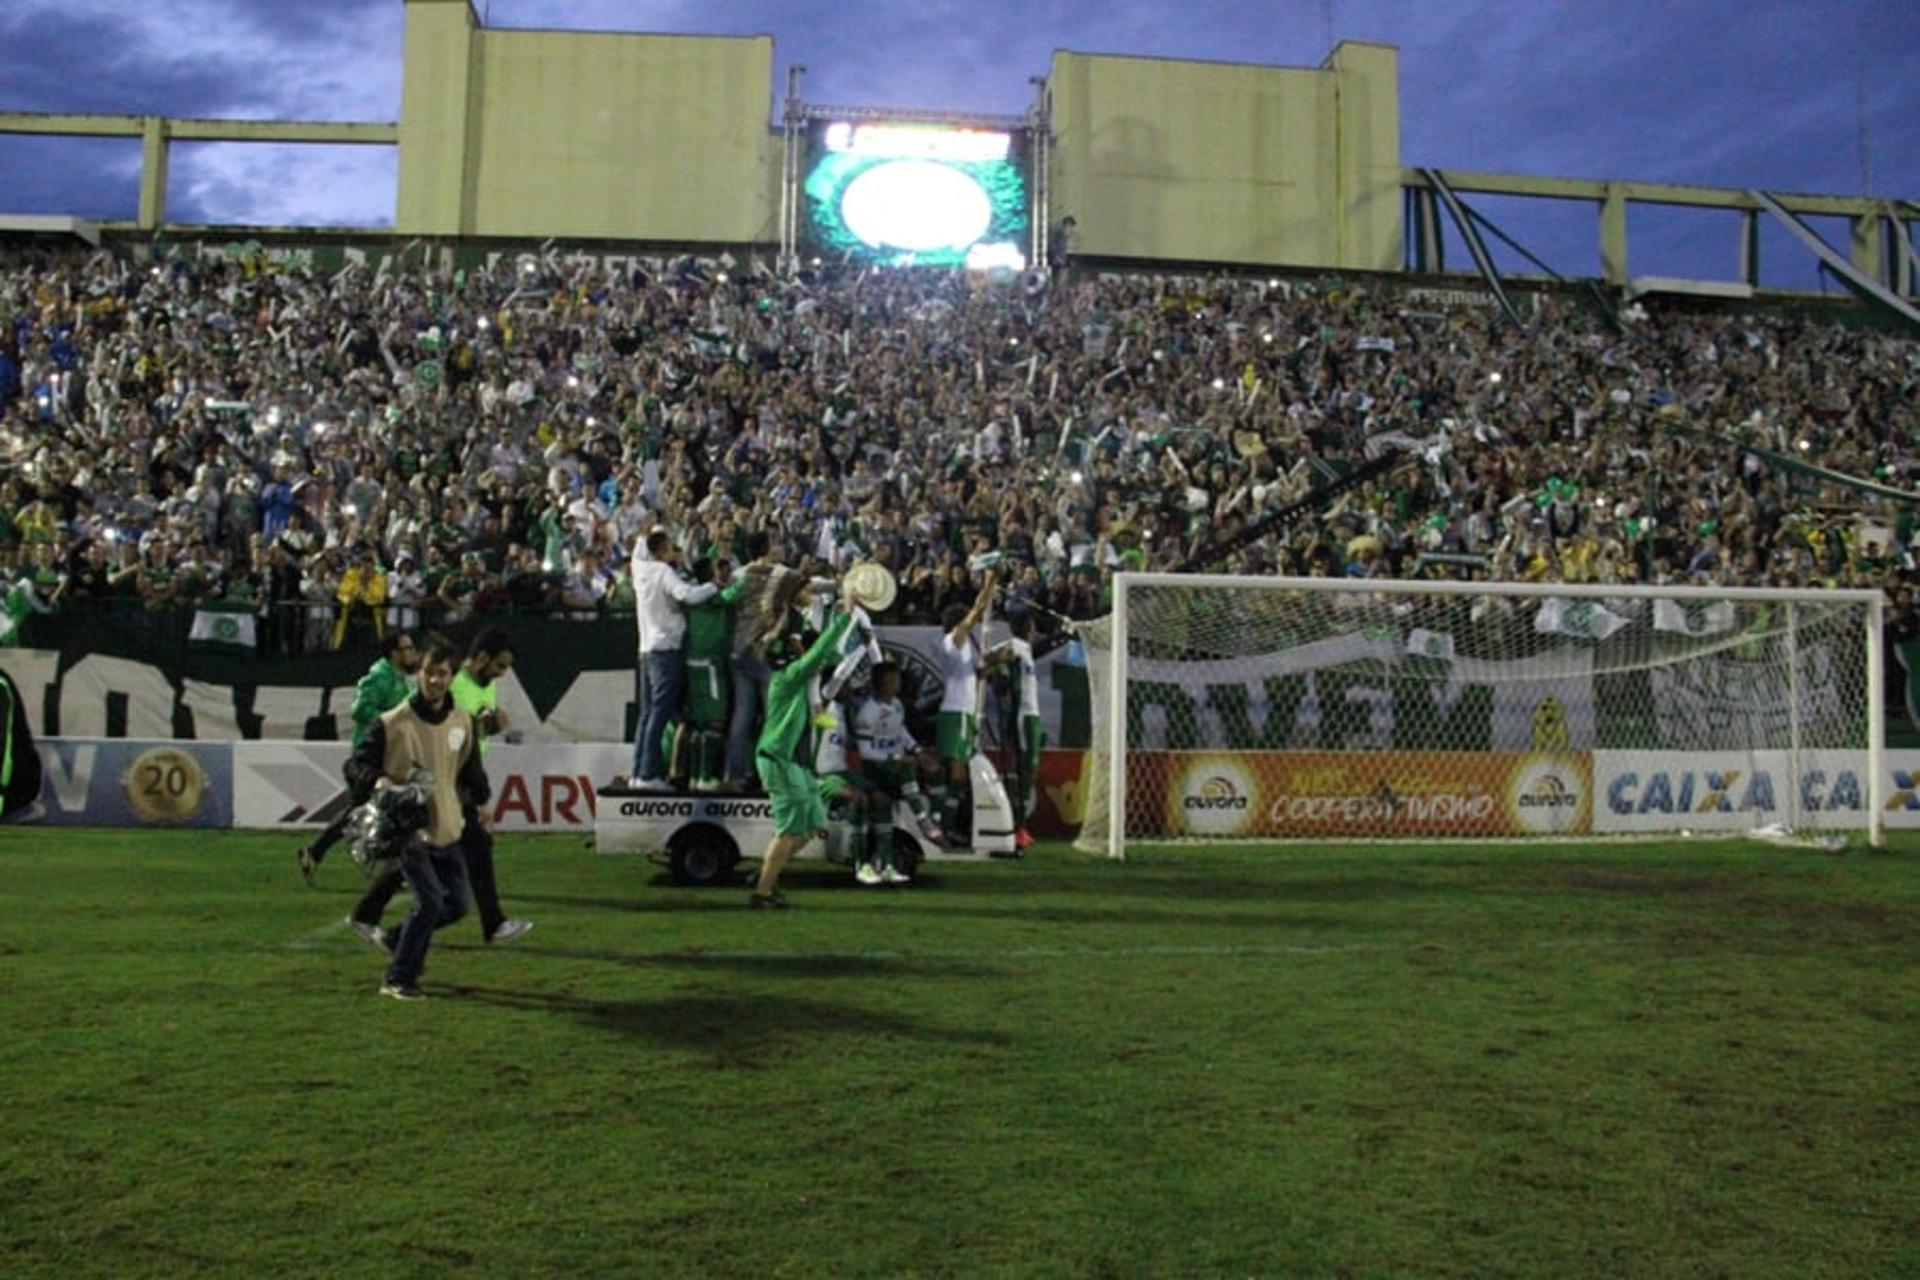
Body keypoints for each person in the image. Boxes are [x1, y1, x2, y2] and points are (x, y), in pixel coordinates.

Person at [348, 628, 532, 947]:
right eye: (500, 666)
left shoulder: (484, 688)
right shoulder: (456, 686)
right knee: (461, 853)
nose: (502, 674)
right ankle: (491, 923)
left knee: (423, 855)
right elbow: (442, 726)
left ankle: (371, 917)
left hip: (456, 780)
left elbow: (469, 740)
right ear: (483, 659)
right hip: (443, 783)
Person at [344, 633, 489, 1001]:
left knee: (457, 905)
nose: (435, 680)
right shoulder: (392, 722)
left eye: (443, 673)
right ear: (419, 674)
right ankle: (398, 979)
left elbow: (470, 771)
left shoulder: (463, 722)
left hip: (448, 827)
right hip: (407, 828)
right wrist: (376, 779)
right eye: (429, 672)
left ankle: (396, 939)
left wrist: (482, 802)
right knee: (430, 902)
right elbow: (356, 764)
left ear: (452, 676)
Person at [748, 578, 857, 909]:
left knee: (812, 825)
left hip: (794, 763)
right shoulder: (788, 677)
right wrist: (846, 616)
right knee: (789, 829)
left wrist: (839, 612)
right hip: (778, 760)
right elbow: (821, 652)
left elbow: (829, 654)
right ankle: (762, 892)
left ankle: (769, 872)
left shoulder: (801, 680)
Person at [298, 629, 418, 883]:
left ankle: (315, 853)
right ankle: (395, 872)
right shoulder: (379, 677)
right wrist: (390, 721)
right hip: (370, 757)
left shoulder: (399, 678)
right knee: (374, 811)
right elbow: (360, 710)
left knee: (362, 810)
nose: (412, 653)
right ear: (394, 653)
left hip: (387, 756)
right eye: (407, 649)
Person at [628, 529, 718, 791]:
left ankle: (638, 773)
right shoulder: (662, 571)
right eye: (670, 548)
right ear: (663, 550)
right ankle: (648, 774)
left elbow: (638, 545)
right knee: (660, 711)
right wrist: (713, 587)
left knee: (646, 713)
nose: (673, 553)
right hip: (666, 647)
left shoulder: (638, 568)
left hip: (645, 647)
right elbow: (686, 595)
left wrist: (647, 532)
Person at [931, 565, 998, 845]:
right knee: (956, 774)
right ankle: (944, 827)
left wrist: (997, 661)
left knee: (958, 775)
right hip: (955, 712)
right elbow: (976, 612)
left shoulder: (965, 648)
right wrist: (989, 583)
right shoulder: (953, 640)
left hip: (965, 713)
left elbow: (979, 674)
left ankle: (949, 824)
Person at [988, 611, 1045, 852]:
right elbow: (993, 656)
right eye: (1031, 626)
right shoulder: (1017, 646)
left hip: (1032, 715)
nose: (1033, 632)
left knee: (1029, 770)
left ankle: (1020, 826)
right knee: (1025, 769)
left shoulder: (1026, 650)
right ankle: (1017, 827)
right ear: (1025, 628)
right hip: (1023, 715)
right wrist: (998, 670)